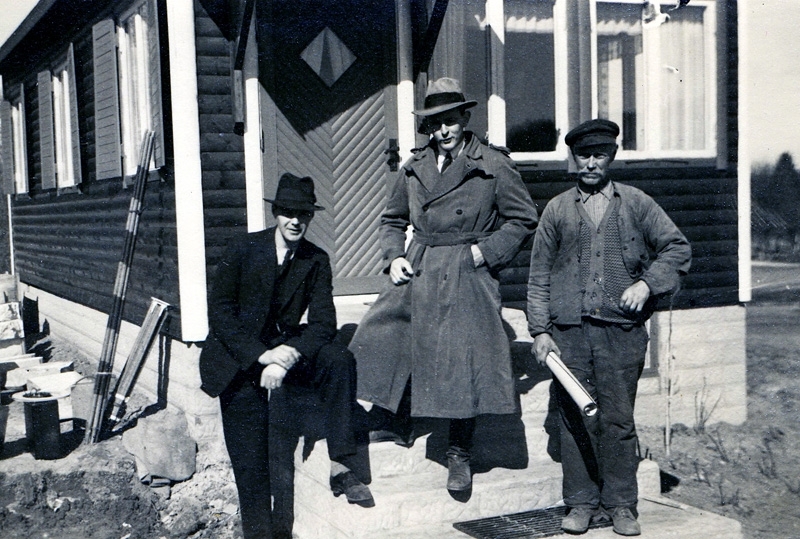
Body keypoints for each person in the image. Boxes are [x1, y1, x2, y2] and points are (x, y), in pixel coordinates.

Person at [349, 77, 538, 495]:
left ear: (465, 118)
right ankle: (398, 420)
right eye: (435, 124)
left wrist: (485, 253)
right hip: (420, 261)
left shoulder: (492, 164)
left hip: (467, 265)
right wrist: (394, 256)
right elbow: (392, 219)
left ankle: (459, 451)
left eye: (450, 121)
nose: (443, 130)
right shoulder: (415, 166)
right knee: (387, 334)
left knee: (463, 357)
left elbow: (523, 218)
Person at [527, 119, 691, 536]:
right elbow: (539, 273)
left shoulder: (636, 203)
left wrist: (647, 283)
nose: (590, 163)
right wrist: (540, 330)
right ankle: (581, 503)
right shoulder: (557, 209)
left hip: (621, 332)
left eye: (599, 155)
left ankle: (621, 505)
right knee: (574, 418)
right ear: (573, 158)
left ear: (611, 157)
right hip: (569, 333)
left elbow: (677, 248)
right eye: (583, 155)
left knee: (617, 419)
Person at [199, 173, 374, 539]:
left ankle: (341, 463)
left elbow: (324, 323)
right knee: (252, 458)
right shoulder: (243, 249)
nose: (296, 221)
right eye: (289, 213)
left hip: (285, 351)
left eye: (303, 214)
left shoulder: (316, 259)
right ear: (276, 213)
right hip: (238, 359)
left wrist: (287, 357)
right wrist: (263, 357)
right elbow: (220, 315)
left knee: (338, 359)